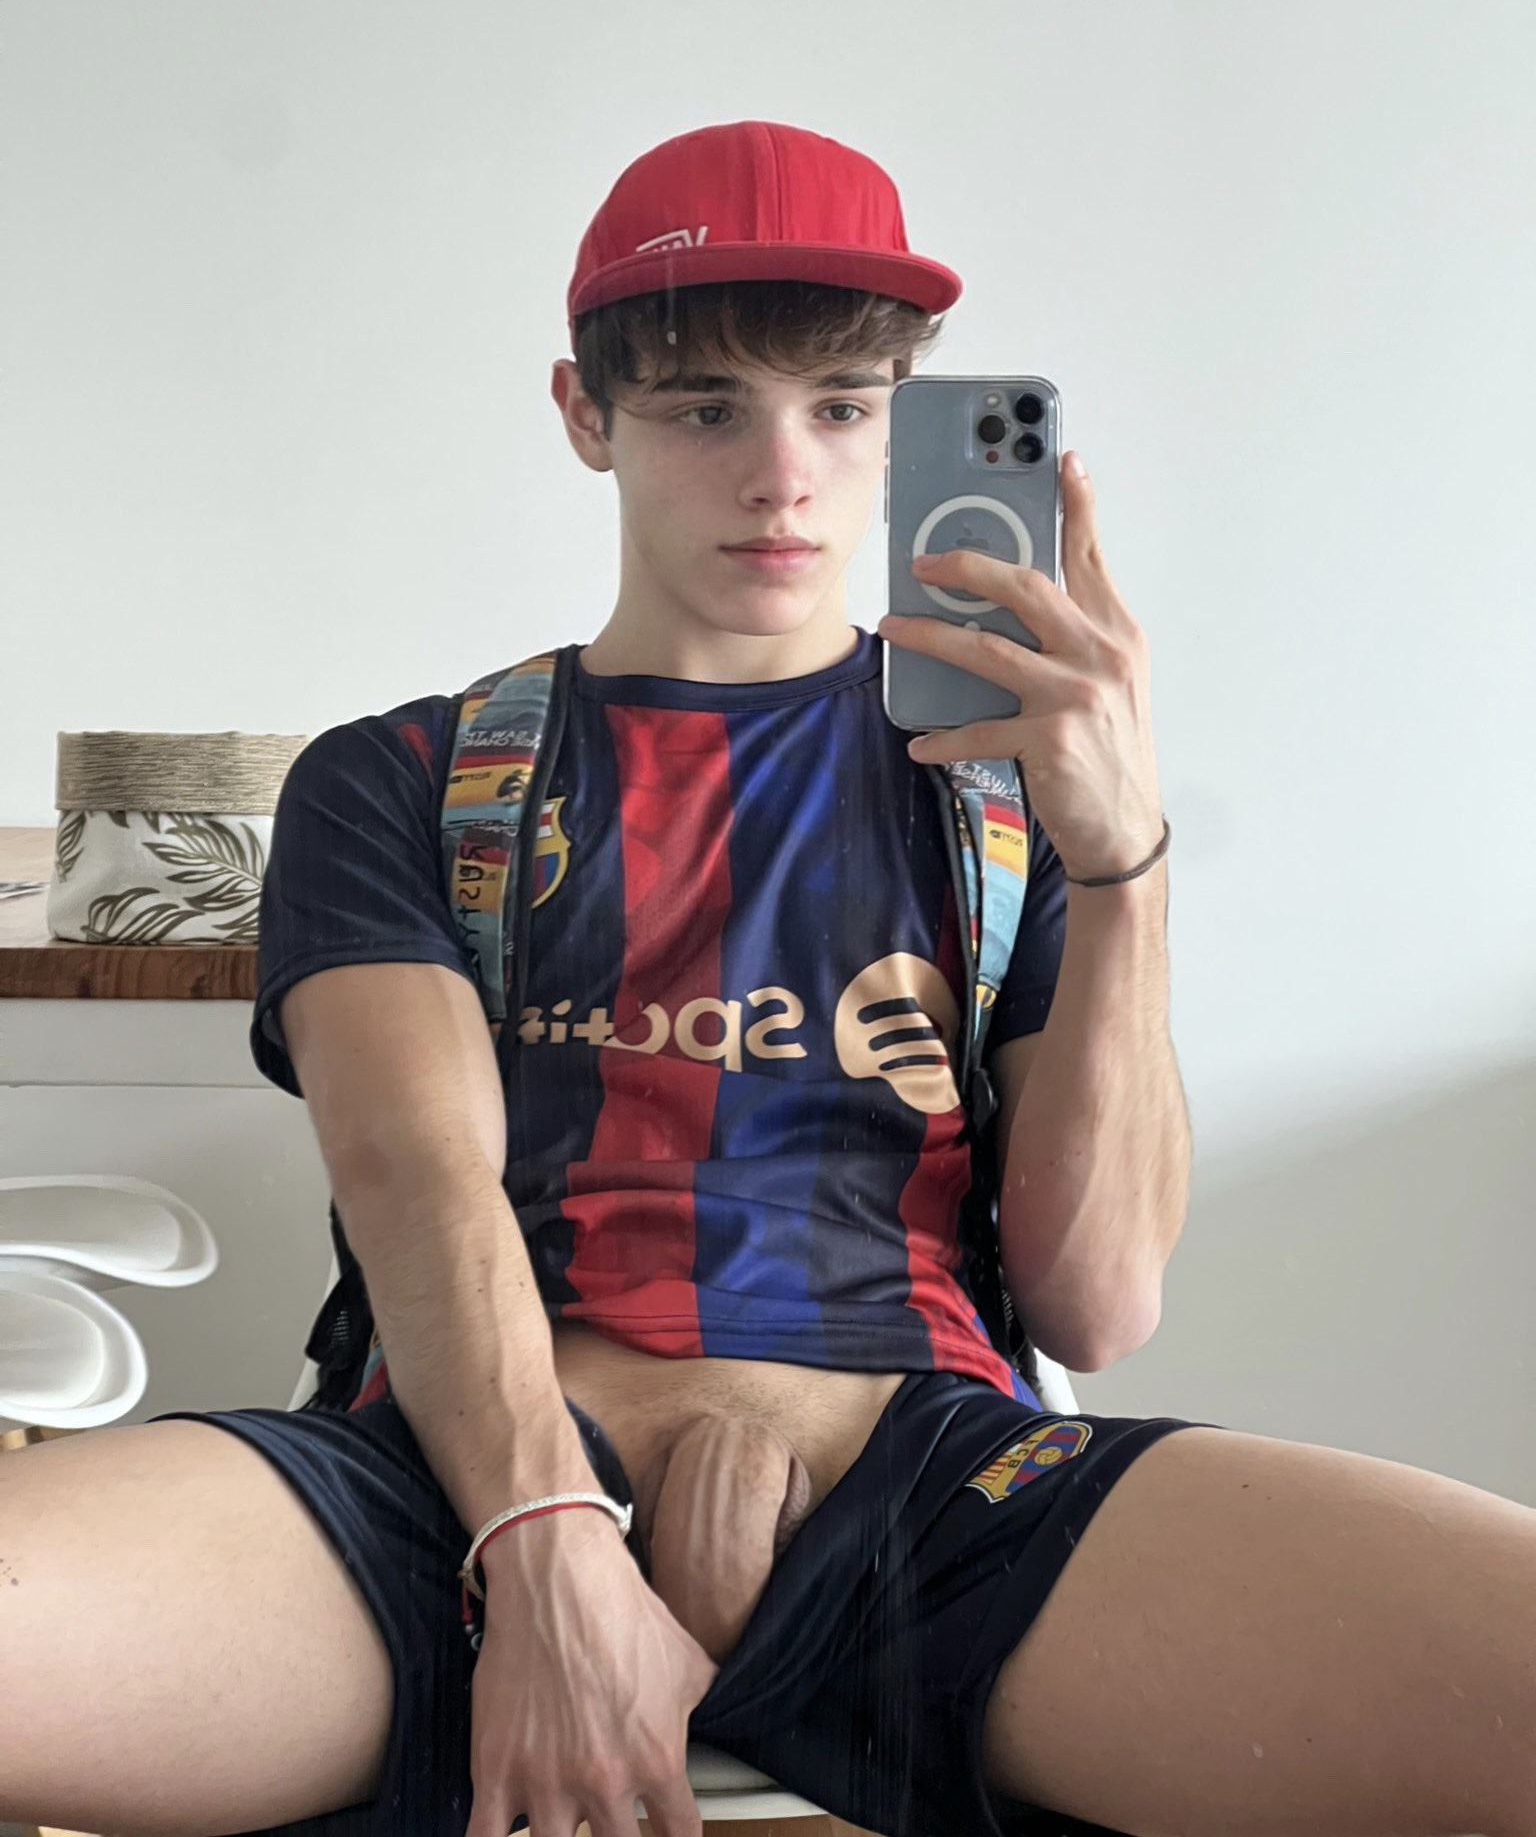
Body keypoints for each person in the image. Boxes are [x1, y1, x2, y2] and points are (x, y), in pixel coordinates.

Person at [0, 120, 1530, 1837]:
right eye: (705, 407)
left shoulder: (1002, 797)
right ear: (587, 415)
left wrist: (1123, 858)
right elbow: (418, 1182)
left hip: (930, 1492)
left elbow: (1095, 1303)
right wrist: (551, 1548)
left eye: (843, 408)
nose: (783, 478)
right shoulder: (406, 778)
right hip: (455, 1494)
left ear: (900, 422)